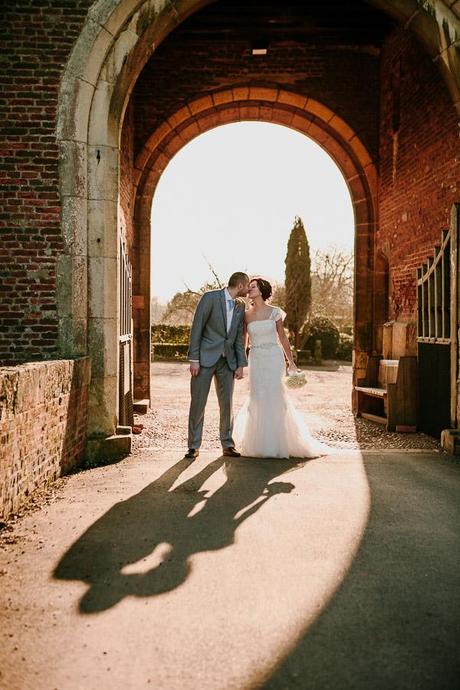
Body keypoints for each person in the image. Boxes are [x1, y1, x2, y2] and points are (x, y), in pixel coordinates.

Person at [233, 277, 325, 459]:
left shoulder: (275, 312)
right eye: (249, 287)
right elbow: (244, 342)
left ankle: (278, 442)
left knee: (275, 395)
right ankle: (260, 443)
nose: (249, 289)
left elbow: (283, 338)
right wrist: (240, 365)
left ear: (262, 290)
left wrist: (291, 362)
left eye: (253, 287)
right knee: (257, 395)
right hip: (257, 357)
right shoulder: (246, 315)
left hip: (274, 358)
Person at [185, 272, 250, 459]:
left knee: (227, 404)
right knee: (198, 403)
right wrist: (194, 359)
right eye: (247, 286)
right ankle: (193, 446)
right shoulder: (210, 298)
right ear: (240, 285)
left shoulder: (240, 305)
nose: (247, 290)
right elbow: (197, 327)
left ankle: (228, 444)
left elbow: (239, 337)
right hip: (204, 360)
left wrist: (240, 364)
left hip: (227, 362)